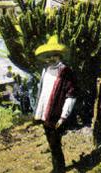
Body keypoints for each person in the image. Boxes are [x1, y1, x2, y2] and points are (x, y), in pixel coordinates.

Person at [33, 35, 76, 173]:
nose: (51, 58)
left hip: (56, 114)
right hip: (46, 114)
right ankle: (57, 167)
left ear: (59, 56)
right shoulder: (46, 70)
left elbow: (71, 96)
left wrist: (64, 116)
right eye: (49, 55)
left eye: (54, 56)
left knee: (55, 143)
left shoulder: (66, 72)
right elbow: (43, 92)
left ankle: (59, 169)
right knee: (51, 142)